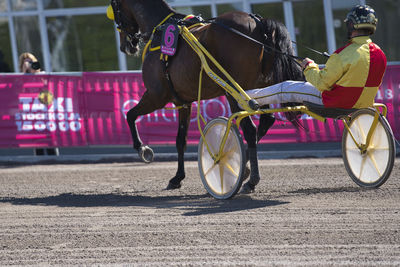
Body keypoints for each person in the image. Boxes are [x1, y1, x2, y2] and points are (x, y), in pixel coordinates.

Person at [245, 5, 386, 110]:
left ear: (351, 25)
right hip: (365, 104)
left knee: (287, 87)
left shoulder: (343, 54)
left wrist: (309, 67)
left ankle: (246, 98)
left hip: (336, 102)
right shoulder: (380, 54)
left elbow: (321, 84)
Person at [18, 52, 59, 156]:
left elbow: (47, 86)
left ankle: (55, 160)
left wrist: (33, 71)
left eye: (31, 62)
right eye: (26, 63)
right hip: (33, 112)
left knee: (50, 140)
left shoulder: (42, 74)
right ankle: (40, 164)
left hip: (45, 111)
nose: (28, 64)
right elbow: (20, 91)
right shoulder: (20, 78)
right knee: (37, 142)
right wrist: (24, 72)